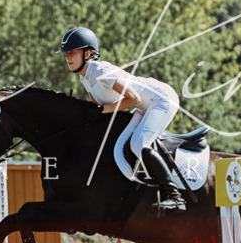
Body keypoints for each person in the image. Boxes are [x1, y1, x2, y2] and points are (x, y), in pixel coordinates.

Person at [57, 26, 186, 211]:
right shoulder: (84, 77)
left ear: (87, 53)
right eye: (65, 54)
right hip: (143, 107)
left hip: (161, 99)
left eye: (71, 52)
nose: (67, 57)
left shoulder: (100, 70)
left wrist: (100, 111)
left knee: (140, 144)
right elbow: (100, 108)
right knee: (124, 143)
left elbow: (133, 98)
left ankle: (174, 196)